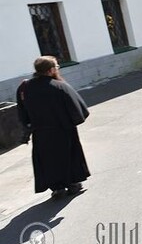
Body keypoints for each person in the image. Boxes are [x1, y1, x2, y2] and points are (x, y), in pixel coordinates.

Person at [16, 56, 90, 197]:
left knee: (48, 160)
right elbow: (78, 110)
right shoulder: (59, 86)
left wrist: (28, 125)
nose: (57, 69)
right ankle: (73, 184)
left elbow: (22, 111)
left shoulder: (25, 88)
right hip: (63, 130)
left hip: (40, 132)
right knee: (68, 157)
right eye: (56, 67)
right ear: (50, 70)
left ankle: (57, 188)